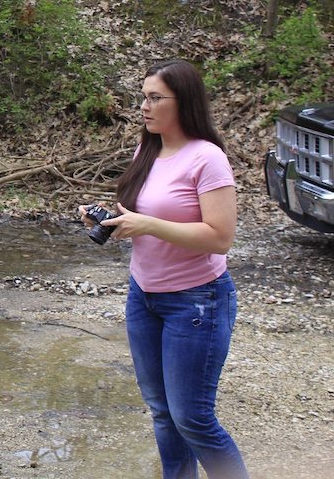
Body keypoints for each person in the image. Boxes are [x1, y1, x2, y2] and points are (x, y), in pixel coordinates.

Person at [82, 58, 249, 479]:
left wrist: (148, 224)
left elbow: (219, 237)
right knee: (161, 412)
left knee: (192, 418)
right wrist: (110, 220)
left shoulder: (207, 159)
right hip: (144, 296)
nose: (144, 106)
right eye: (143, 97)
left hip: (196, 302)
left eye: (155, 98)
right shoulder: (148, 149)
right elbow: (143, 214)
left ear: (183, 101)